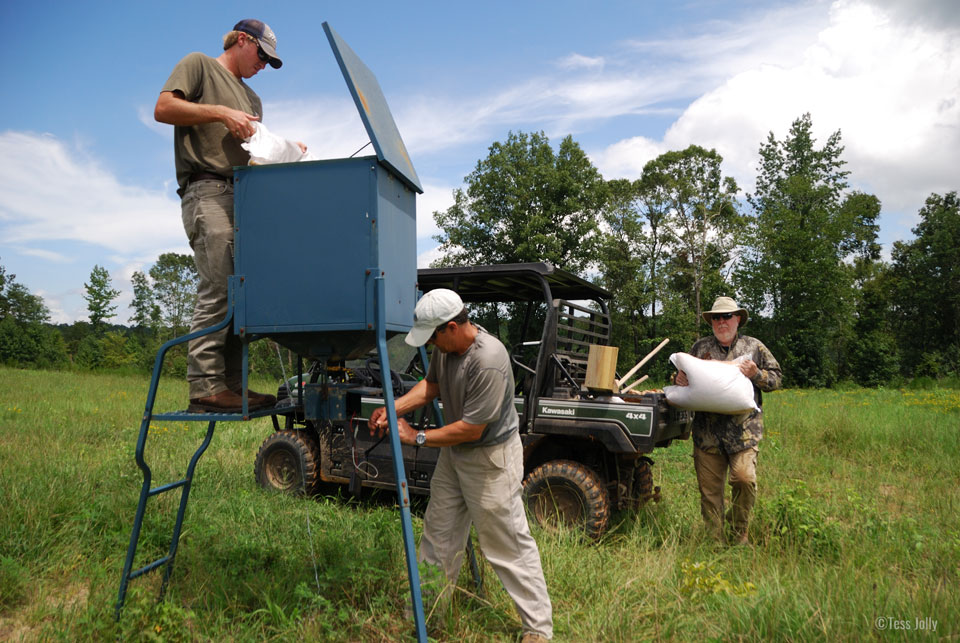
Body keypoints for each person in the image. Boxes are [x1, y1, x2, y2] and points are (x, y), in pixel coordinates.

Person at [368, 289, 553, 642]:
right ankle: (425, 616)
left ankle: (538, 630)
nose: (431, 345)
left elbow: (472, 429)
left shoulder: (489, 360)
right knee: (438, 536)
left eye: (433, 336)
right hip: (455, 457)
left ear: (451, 327)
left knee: (507, 545)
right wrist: (395, 410)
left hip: (490, 458)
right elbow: (431, 386)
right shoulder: (446, 348)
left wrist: (416, 437)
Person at [155, 19, 304, 412]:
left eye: (270, 62)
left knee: (244, 296)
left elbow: (254, 154)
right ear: (242, 40)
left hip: (245, 196)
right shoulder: (199, 64)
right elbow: (163, 107)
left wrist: (286, 151)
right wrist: (221, 112)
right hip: (207, 190)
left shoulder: (253, 100)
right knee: (219, 288)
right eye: (261, 56)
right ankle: (204, 387)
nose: (263, 66)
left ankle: (233, 387)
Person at [674, 296, 782, 545]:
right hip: (707, 434)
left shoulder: (754, 347)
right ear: (712, 321)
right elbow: (682, 377)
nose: (721, 322)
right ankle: (714, 542)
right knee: (710, 492)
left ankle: (739, 532)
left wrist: (757, 374)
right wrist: (679, 378)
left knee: (744, 479)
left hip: (743, 432)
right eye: (716, 318)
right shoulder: (700, 348)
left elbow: (776, 379)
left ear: (737, 319)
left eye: (726, 317)